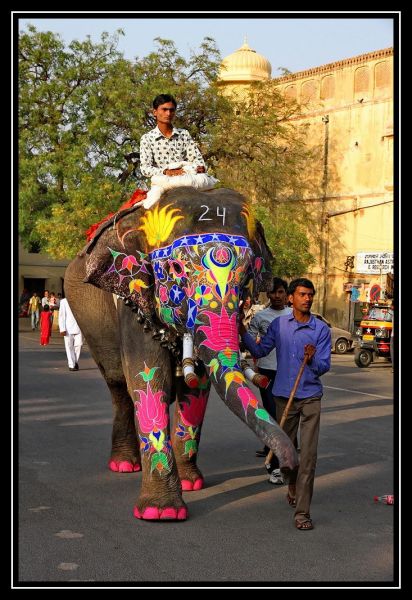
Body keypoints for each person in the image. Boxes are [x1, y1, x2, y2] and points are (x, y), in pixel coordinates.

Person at [239, 278, 331, 531]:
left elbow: (324, 366)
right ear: (291, 298)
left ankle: (302, 513)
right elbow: (260, 351)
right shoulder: (280, 326)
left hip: (311, 396)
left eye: (310, 294)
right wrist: (241, 330)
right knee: (286, 454)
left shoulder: (320, 330)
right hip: (283, 396)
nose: (307, 299)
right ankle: (291, 482)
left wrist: (312, 360)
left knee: (308, 457)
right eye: (302, 294)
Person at [248, 278, 292, 484]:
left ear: (286, 294)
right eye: (273, 292)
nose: (276, 296)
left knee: (287, 412)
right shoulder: (261, 317)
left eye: (280, 292)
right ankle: (274, 449)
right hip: (266, 369)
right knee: (271, 411)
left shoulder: (293, 316)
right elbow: (250, 338)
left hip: (287, 370)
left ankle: (285, 450)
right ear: (268, 295)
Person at [139, 94, 217, 209]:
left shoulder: (183, 134)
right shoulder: (147, 138)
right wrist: (166, 171)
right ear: (155, 112)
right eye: (164, 110)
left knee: (213, 202)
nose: (168, 114)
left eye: (171, 110)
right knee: (149, 207)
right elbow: (145, 168)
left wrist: (197, 167)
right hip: (163, 183)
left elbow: (197, 159)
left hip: (186, 179)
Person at [58, 297, 84, 372]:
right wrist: (62, 329)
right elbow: (61, 316)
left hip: (79, 327)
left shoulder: (81, 300)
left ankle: (75, 361)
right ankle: (71, 365)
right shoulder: (64, 301)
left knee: (79, 345)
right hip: (68, 328)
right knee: (69, 347)